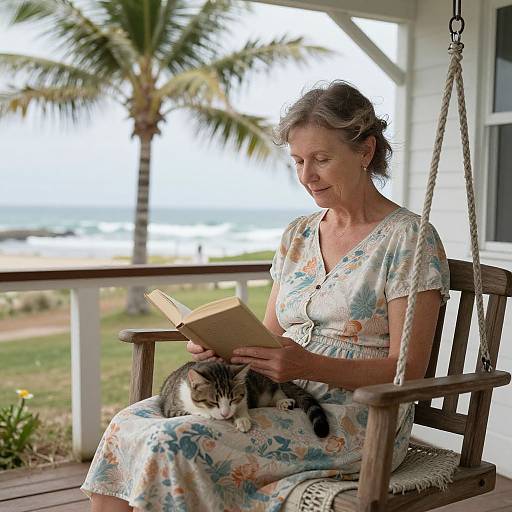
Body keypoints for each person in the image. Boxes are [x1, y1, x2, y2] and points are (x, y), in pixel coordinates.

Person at [82, 80, 450, 511]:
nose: (306, 176)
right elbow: (266, 337)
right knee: (127, 425)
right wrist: (221, 345)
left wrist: (308, 364)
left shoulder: (410, 239)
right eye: (297, 161)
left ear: (365, 152)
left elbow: (411, 370)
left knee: (173, 440)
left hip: (354, 417)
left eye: (321, 159)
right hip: (275, 397)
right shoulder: (298, 234)